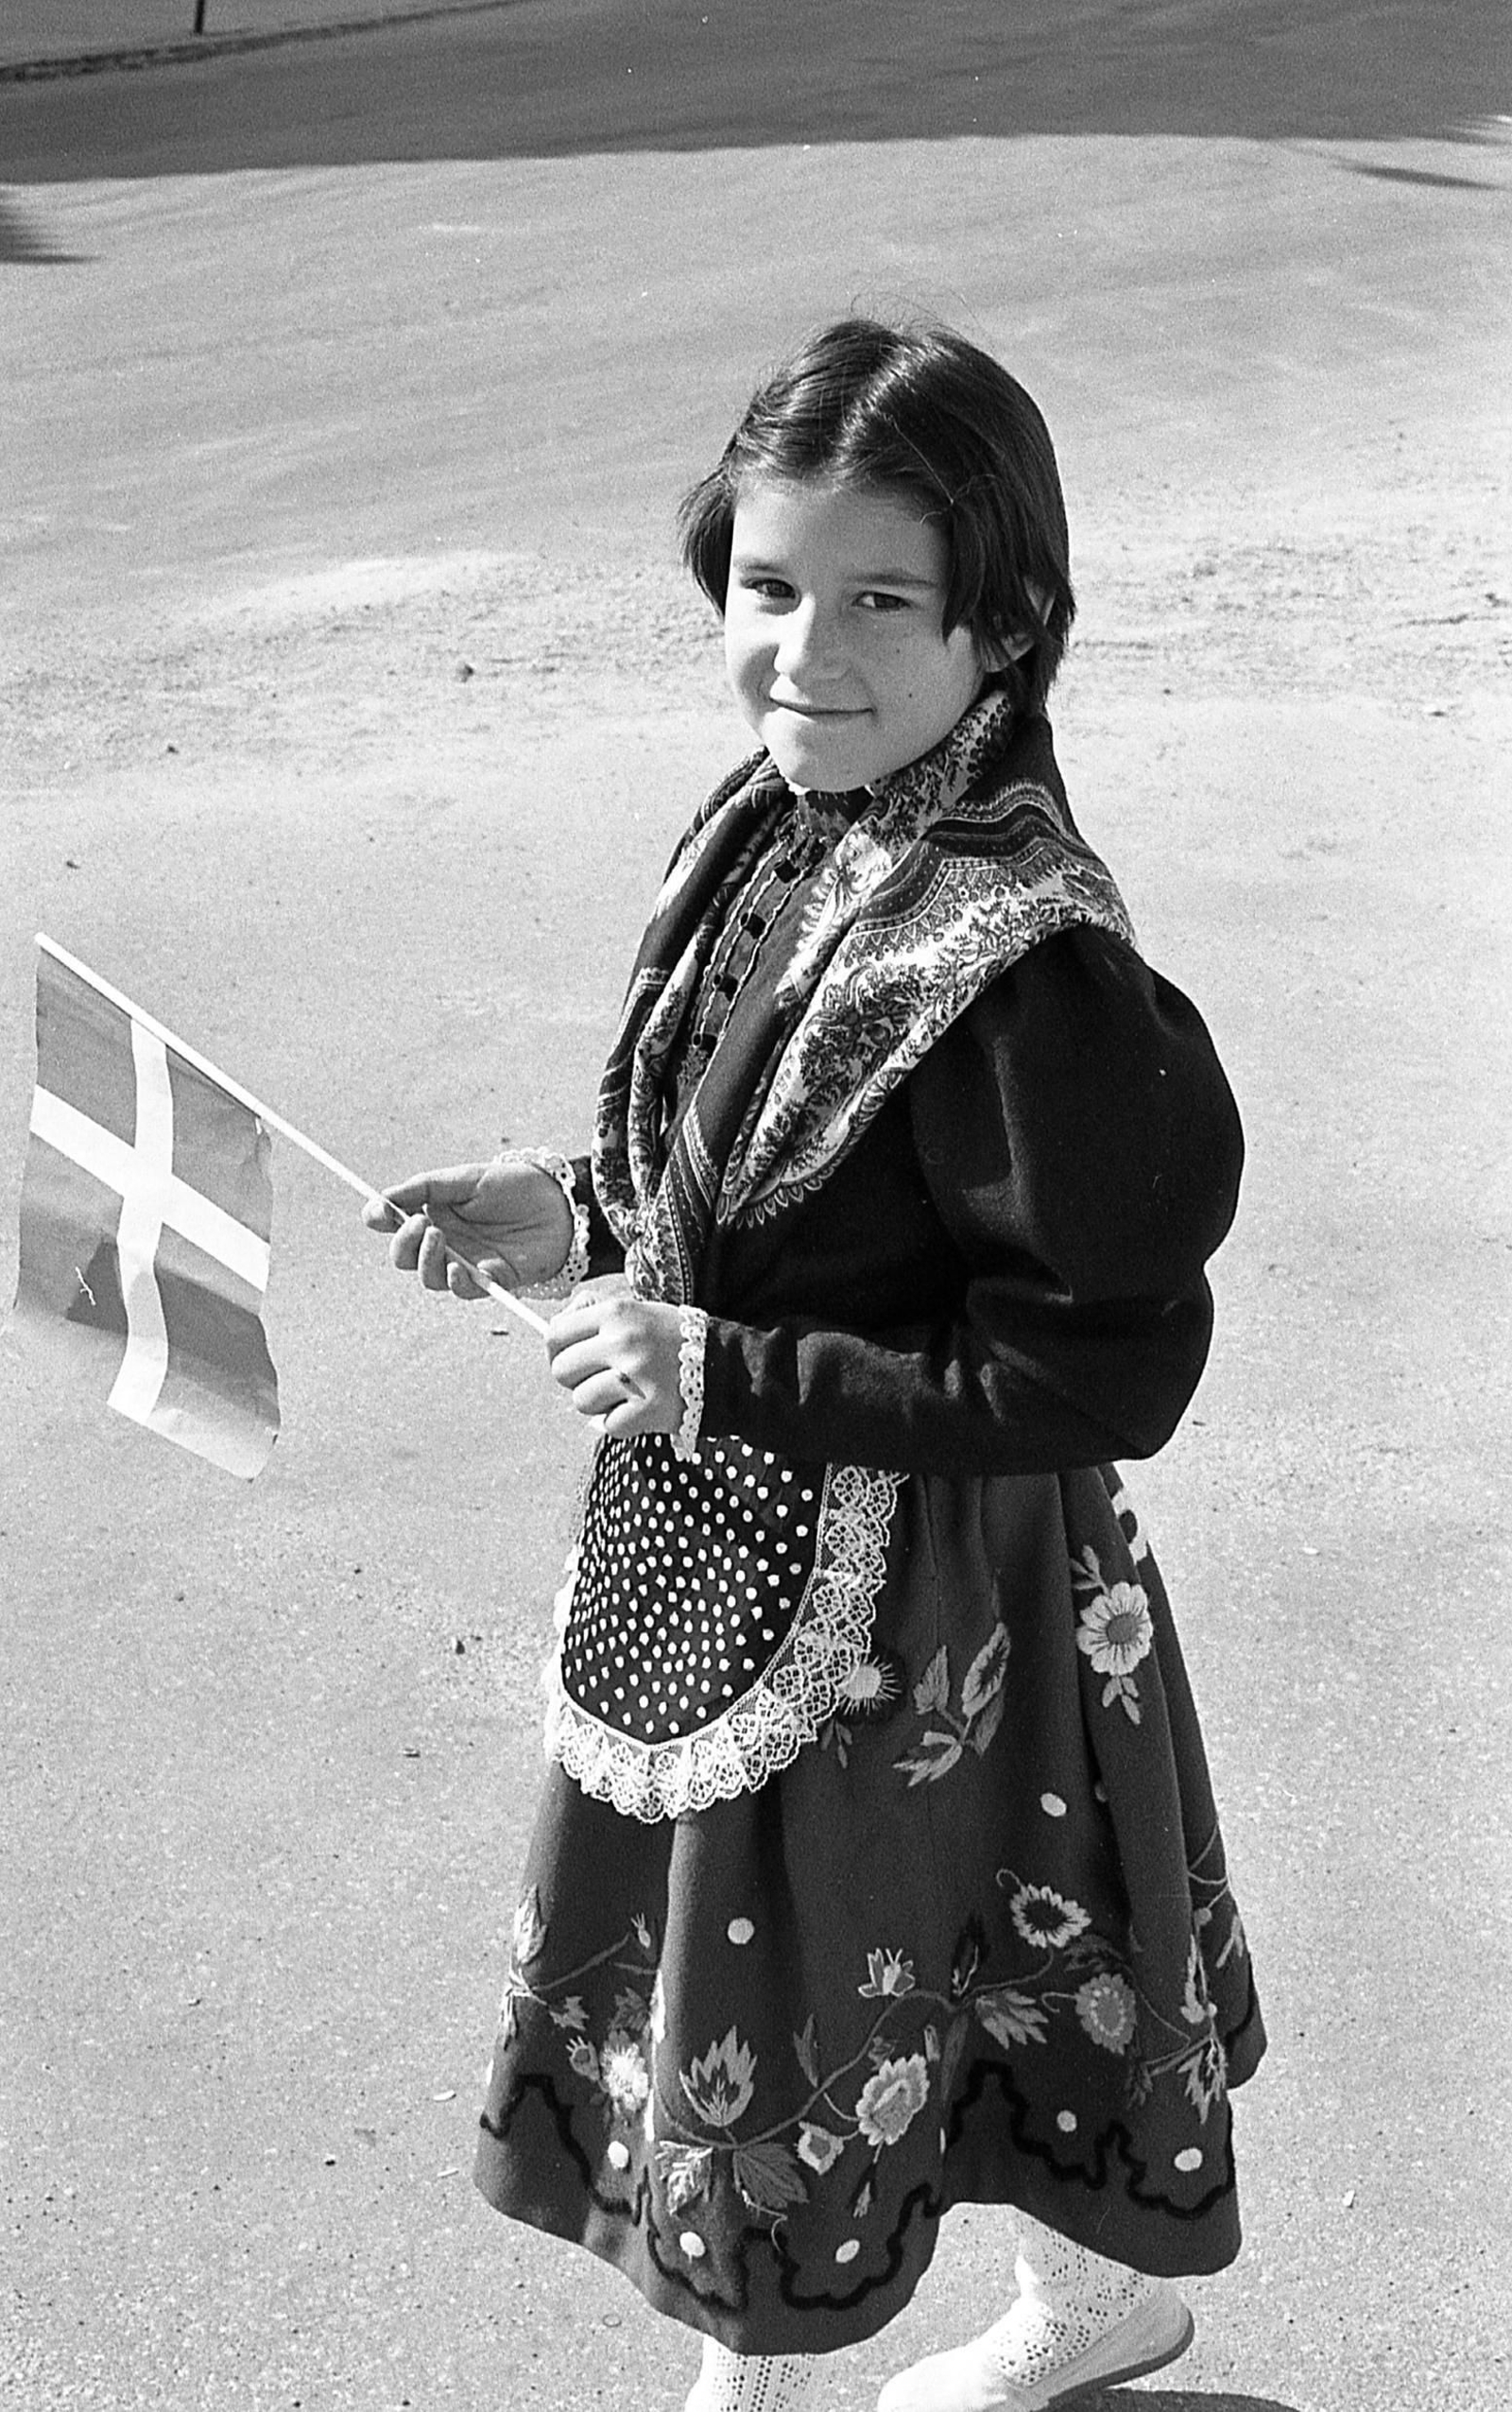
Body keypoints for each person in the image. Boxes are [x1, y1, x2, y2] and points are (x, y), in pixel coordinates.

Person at [365, 318, 1264, 2412]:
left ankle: (799, 2370)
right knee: (892, 1966)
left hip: (938, 1589)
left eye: (877, 601)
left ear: (1004, 624)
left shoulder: (1025, 968)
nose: (800, 651)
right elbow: (764, 1162)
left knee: (871, 1968)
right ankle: (1078, 2305)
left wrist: (717, 1367)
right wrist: (570, 1207)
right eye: (767, 591)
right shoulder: (782, 822)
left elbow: (1092, 1380)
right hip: (724, 1516)